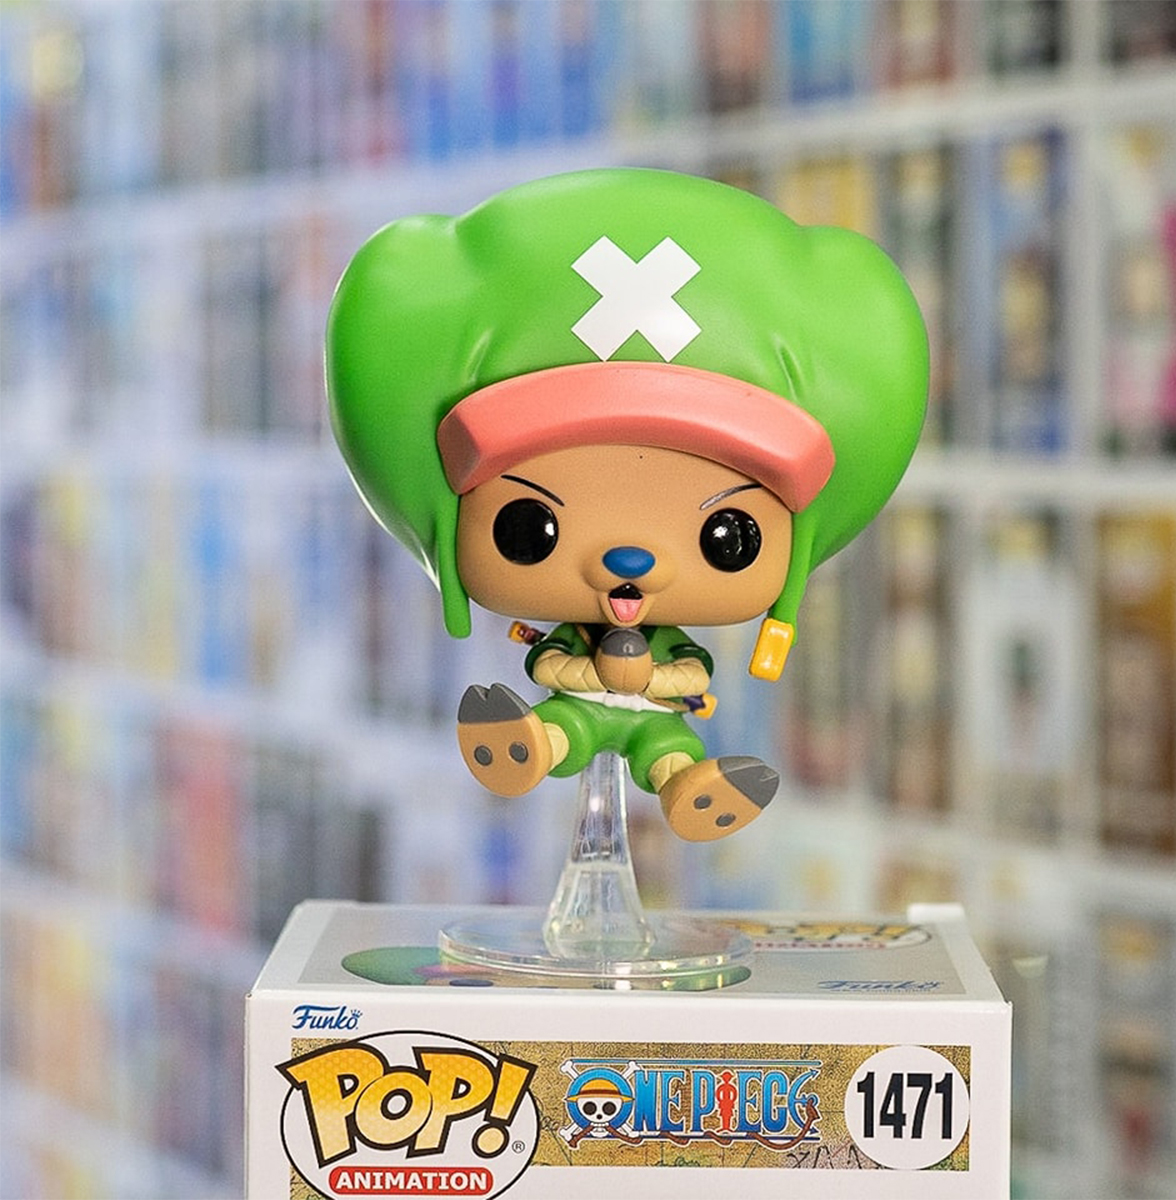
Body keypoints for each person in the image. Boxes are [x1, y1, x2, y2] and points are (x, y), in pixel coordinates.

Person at [328, 168, 927, 842]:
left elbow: (690, 671)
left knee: (667, 751)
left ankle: (687, 787)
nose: (630, 558)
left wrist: (654, 677)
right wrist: (593, 670)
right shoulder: (571, 633)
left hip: (655, 721)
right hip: (577, 710)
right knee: (561, 728)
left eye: (726, 535)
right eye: (532, 528)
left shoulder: (667, 639)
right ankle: (530, 749)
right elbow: (547, 664)